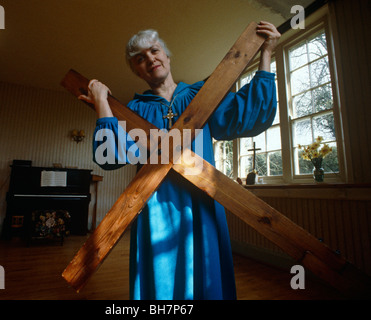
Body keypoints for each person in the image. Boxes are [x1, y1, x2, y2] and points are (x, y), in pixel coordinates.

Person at [78, 21, 281, 300]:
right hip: (155, 207)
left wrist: (267, 54)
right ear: (136, 70)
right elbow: (110, 156)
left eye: (154, 51)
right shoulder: (133, 111)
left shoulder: (203, 95)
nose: (150, 59)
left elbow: (249, 115)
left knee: (207, 279)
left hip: (202, 200)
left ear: (167, 56)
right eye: (140, 59)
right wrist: (102, 103)